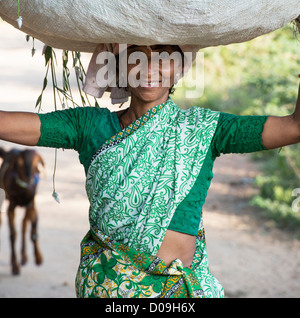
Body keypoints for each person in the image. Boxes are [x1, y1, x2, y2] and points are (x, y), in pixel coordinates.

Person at [1, 43, 300, 298]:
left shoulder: (205, 129)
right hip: (110, 285)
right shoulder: (89, 126)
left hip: (178, 290)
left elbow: (293, 127)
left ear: (180, 68)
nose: (149, 68)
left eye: (163, 57)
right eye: (136, 57)